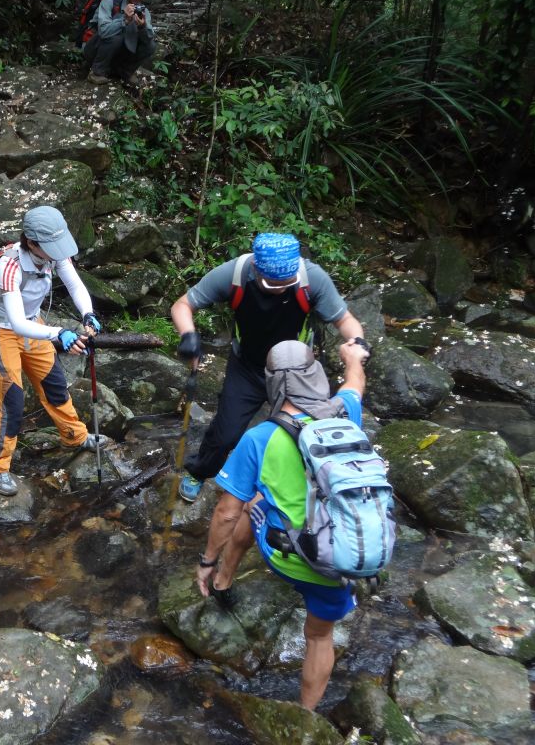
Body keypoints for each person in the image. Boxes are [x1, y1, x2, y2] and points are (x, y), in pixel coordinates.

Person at [196, 337, 370, 710]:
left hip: (287, 557)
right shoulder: (346, 412)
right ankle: (305, 717)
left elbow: (226, 512)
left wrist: (206, 560)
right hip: (339, 559)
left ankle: (223, 578)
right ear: (315, 375)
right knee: (319, 637)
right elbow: (355, 383)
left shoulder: (260, 437)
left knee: (252, 503)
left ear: (272, 382)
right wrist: (353, 357)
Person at [170, 232, 365, 502]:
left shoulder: (312, 278)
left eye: (286, 284)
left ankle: (310, 488)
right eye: (272, 284)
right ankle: (200, 471)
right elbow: (182, 305)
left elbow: (345, 320)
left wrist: (357, 342)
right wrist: (188, 335)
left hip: (297, 372)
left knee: (306, 430)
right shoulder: (235, 274)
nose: (280, 290)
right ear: (256, 269)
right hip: (248, 367)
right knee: (226, 434)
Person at [0, 206, 106, 497]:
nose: (58, 252)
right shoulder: (9, 267)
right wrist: (59, 333)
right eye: (51, 246)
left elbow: (74, 284)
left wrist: (87, 313)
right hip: (2, 330)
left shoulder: (53, 255)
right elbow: (16, 322)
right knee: (12, 401)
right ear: (32, 243)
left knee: (54, 384)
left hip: (34, 325)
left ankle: (74, 436)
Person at [83, 0, 156, 86]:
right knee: (117, 36)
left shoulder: (143, 10)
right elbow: (103, 32)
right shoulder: (110, 0)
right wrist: (124, 20)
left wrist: (142, 27)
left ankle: (125, 71)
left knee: (151, 45)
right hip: (95, 49)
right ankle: (97, 72)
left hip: (120, 52)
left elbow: (148, 39)